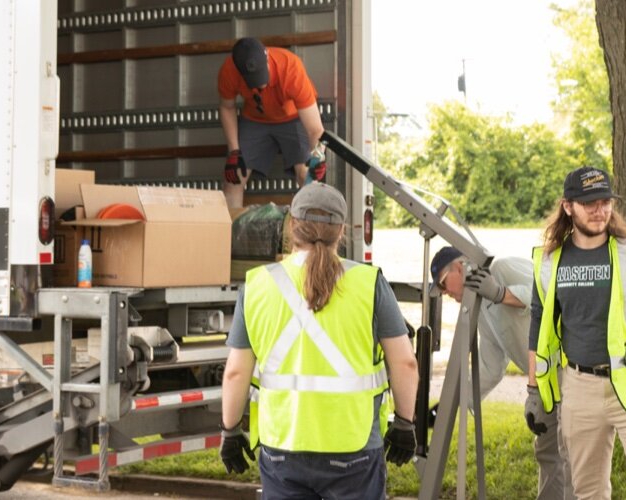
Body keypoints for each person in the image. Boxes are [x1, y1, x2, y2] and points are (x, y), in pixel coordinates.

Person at [220, 182, 419, 500]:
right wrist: (406, 423)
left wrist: (230, 430)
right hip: (353, 447)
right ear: (341, 230)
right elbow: (405, 363)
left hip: (282, 446)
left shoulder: (257, 285)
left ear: (292, 225)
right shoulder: (370, 284)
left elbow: (235, 373)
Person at [527, 166, 626, 499]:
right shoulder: (549, 262)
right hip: (580, 389)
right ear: (568, 206)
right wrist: (534, 391)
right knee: (588, 493)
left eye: (605, 201)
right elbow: (538, 324)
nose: (599, 210)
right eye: (589, 203)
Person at [430, 246, 574, 500]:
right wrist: (451, 405)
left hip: (572, 374)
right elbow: (490, 366)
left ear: (460, 267)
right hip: (544, 386)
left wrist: (500, 292)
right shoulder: (481, 308)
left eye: (443, 283)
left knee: (572, 452)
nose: (444, 293)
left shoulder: (502, 268)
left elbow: (547, 292)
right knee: (548, 452)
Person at [218, 37, 327, 208]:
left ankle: (309, 231)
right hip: (255, 119)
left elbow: (315, 130)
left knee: (307, 175)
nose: (261, 86)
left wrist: (318, 158)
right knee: (234, 177)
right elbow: (227, 107)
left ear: (267, 58)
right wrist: (234, 152)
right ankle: (230, 232)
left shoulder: (291, 67)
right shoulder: (229, 70)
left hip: (292, 116)